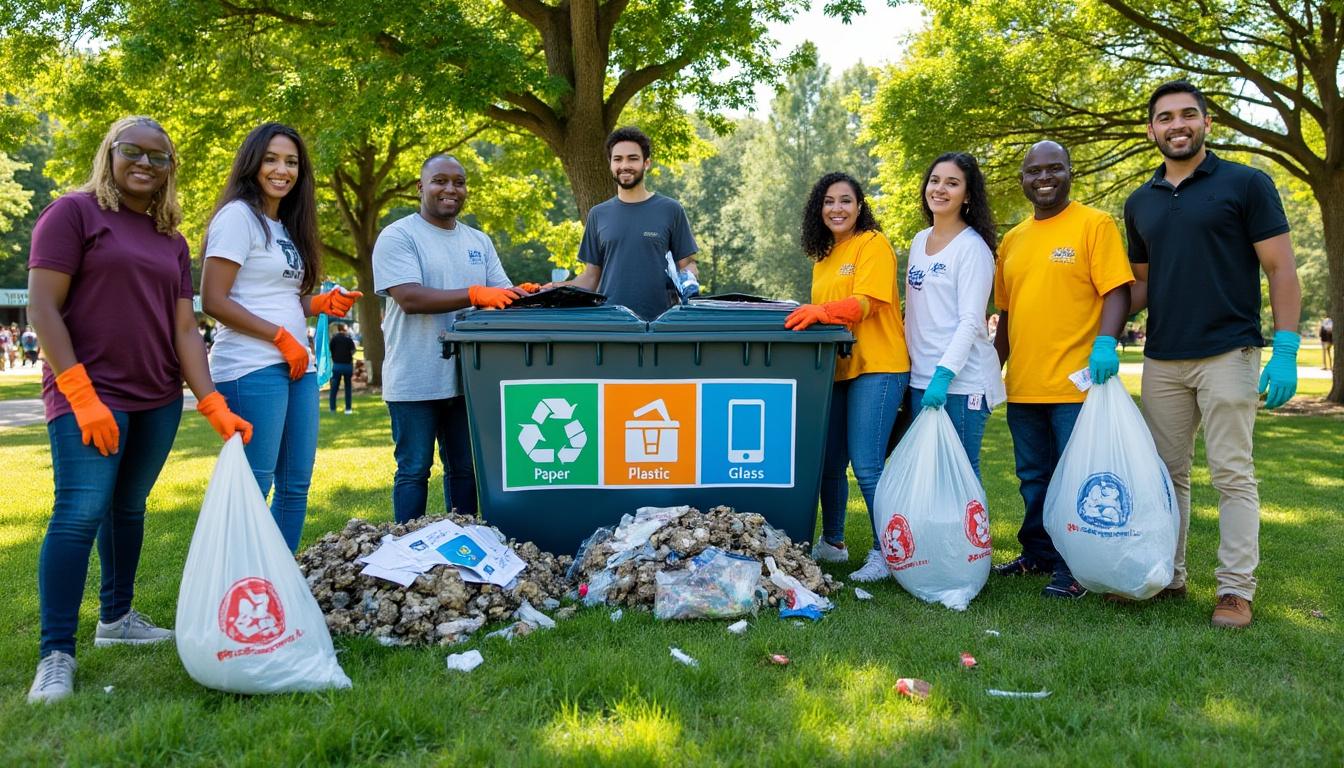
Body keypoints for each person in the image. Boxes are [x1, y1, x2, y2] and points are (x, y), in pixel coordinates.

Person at [25, 116, 251, 704]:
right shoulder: (71, 214)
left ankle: (117, 619)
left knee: (128, 508)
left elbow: (183, 328)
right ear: (111, 153)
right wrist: (79, 395)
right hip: (91, 394)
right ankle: (56, 654)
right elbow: (43, 310)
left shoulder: (170, 239)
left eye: (160, 157)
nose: (146, 164)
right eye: (135, 152)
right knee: (79, 512)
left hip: (156, 397)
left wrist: (211, 402)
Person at [1124, 81, 1302, 628]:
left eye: (1187, 115)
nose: (1176, 125)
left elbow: (1281, 269)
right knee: (1164, 476)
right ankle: (1167, 577)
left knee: (1232, 475)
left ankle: (1234, 590)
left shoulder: (1246, 183)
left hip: (1230, 350)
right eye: (1164, 118)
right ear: (1151, 129)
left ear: (1206, 122)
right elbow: (1140, 287)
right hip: (1163, 358)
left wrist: (1288, 348)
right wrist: (1092, 324)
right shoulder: (1139, 202)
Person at [201, 122, 360, 553]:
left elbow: (281, 297)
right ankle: (238, 587)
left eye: (291, 162)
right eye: (271, 159)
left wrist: (321, 304)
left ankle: (278, 584)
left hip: (296, 366)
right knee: (256, 485)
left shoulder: (284, 227)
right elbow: (213, 299)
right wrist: (280, 337)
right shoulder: (238, 217)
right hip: (251, 366)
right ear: (252, 163)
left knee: (295, 485)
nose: (281, 170)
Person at [992, 140, 1134, 600]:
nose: (1044, 178)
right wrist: (992, 369)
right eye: (1034, 171)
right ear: (1023, 181)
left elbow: (1117, 291)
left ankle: (1074, 566)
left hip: (1078, 383)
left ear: (1070, 173)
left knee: (1076, 478)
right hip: (1025, 385)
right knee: (1032, 477)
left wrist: (1106, 342)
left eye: (1055, 168)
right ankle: (1039, 553)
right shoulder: (1012, 241)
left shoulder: (1094, 224)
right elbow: (1008, 316)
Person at [374, 153, 533, 523]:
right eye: (439, 181)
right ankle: (406, 547)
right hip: (415, 376)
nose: (450, 189)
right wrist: (475, 294)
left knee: (464, 468)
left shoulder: (478, 240)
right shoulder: (399, 235)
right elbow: (410, 298)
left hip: (469, 378)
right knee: (414, 469)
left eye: (458, 182)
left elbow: (501, 294)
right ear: (420, 187)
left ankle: (464, 542)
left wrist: (527, 295)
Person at [785, 172, 911, 582]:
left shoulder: (872, 244)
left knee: (868, 464)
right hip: (837, 368)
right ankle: (833, 543)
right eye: (828, 202)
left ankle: (887, 553)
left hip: (878, 365)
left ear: (860, 207)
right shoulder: (823, 257)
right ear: (817, 210)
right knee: (829, 461)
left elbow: (868, 303)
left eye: (845, 201)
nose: (836, 209)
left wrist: (822, 312)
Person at [904, 152, 1006, 479]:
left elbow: (971, 321)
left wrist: (944, 375)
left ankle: (973, 533)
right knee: (930, 475)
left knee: (959, 473)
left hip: (962, 383)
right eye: (935, 180)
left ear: (968, 195)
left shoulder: (972, 248)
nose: (940, 189)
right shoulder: (919, 240)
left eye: (952, 183)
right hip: (920, 378)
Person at [567, 126, 699, 320]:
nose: (624, 165)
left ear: (646, 163)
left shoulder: (671, 209)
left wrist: (689, 280)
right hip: (610, 324)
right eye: (617, 159)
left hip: (660, 324)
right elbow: (590, 277)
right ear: (610, 164)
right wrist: (554, 289)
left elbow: (687, 265)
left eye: (633, 158)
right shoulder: (598, 214)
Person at [329, 323, 355, 414]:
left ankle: (332, 408)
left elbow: (330, 349)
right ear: (345, 329)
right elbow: (353, 351)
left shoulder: (334, 339)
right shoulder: (349, 339)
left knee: (334, 388)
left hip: (337, 366)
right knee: (348, 387)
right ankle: (348, 409)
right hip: (347, 365)